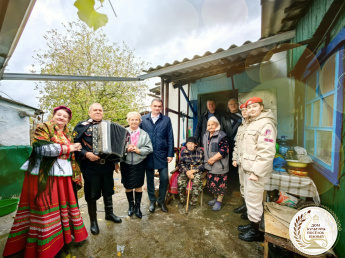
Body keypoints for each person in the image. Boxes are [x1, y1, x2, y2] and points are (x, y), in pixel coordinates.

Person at [3, 106, 88, 258]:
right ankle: (46, 244)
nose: (61, 118)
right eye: (58, 115)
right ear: (53, 115)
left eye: (65, 116)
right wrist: (70, 147)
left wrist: (75, 147)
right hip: (43, 174)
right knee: (45, 206)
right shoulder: (43, 127)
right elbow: (42, 149)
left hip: (62, 174)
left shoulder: (67, 133)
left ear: (68, 120)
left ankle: (63, 238)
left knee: (62, 206)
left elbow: (69, 151)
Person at [73, 103, 122, 236]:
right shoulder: (81, 126)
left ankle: (109, 214)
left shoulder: (109, 126)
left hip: (107, 165)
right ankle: (93, 222)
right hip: (90, 166)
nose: (98, 112)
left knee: (108, 190)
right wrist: (85, 154)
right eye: (95, 110)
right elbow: (74, 144)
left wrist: (116, 161)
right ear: (89, 112)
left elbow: (115, 144)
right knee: (91, 194)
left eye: (100, 110)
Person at [237, 97, 277, 242]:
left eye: (255, 106)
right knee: (250, 200)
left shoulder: (266, 124)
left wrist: (256, 172)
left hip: (255, 172)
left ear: (261, 107)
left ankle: (257, 233)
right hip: (248, 170)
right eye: (250, 107)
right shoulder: (253, 123)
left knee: (254, 201)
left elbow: (266, 152)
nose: (252, 109)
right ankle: (252, 225)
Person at [140, 99, 174, 213]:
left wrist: (170, 154)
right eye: (155, 106)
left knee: (164, 178)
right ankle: (152, 201)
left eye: (159, 106)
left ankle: (161, 201)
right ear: (151, 106)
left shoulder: (166, 120)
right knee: (149, 179)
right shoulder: (143, 120)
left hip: (162, 153)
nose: (157, 108)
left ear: (161, 107)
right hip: (148, 154)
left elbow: (170, 138)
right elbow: (138, 135)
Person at [121, 112, 153, 218]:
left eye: (136, 119)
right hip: (126, 163)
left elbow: (149, 148)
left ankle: (137, 207)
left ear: (140, 121)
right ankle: (131, 206)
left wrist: (139, 150)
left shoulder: (144, 134)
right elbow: (116, 147)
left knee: (139, 185)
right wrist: (126, 149)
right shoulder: (123, 132)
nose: (134, 121)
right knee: (128, 185)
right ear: (128, 120)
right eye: (132, 119)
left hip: (139, 163)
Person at [203, 116, 230, 211]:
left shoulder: (222, 135)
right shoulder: (206, 135)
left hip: (219, 165)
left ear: (217, 125)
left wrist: (212, 159)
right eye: (208, 125)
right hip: (210, 165)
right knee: (212, 184)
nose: (210, 127)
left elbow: (224, 151)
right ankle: (215, 198)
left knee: (220, 184)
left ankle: (219, 201)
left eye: (212, 124)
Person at [232, 104, 249, 218]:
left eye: (246, 110)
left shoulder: (255, 125)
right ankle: (245, 206)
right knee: (243, 185)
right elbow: (237, 145)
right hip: (241, 162)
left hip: (250, 163)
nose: (244, 112)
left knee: (250, 189)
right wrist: (234, 158)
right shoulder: (241, 126)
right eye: (242, 110)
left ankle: (251, 212)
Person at [177, 137, 204, 207]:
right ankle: (182, 200)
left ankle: (193, 203)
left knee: (197, 183)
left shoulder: (200, 151)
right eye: (188, 143)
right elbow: (180, 164)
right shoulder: (183, 152)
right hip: (186, 171)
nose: (190, 145)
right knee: (180, 182)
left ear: (195, 144)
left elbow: (203, 165)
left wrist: (193, 171)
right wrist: (187, 172)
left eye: (192, 143)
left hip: (196, 171)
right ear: (186, 144)